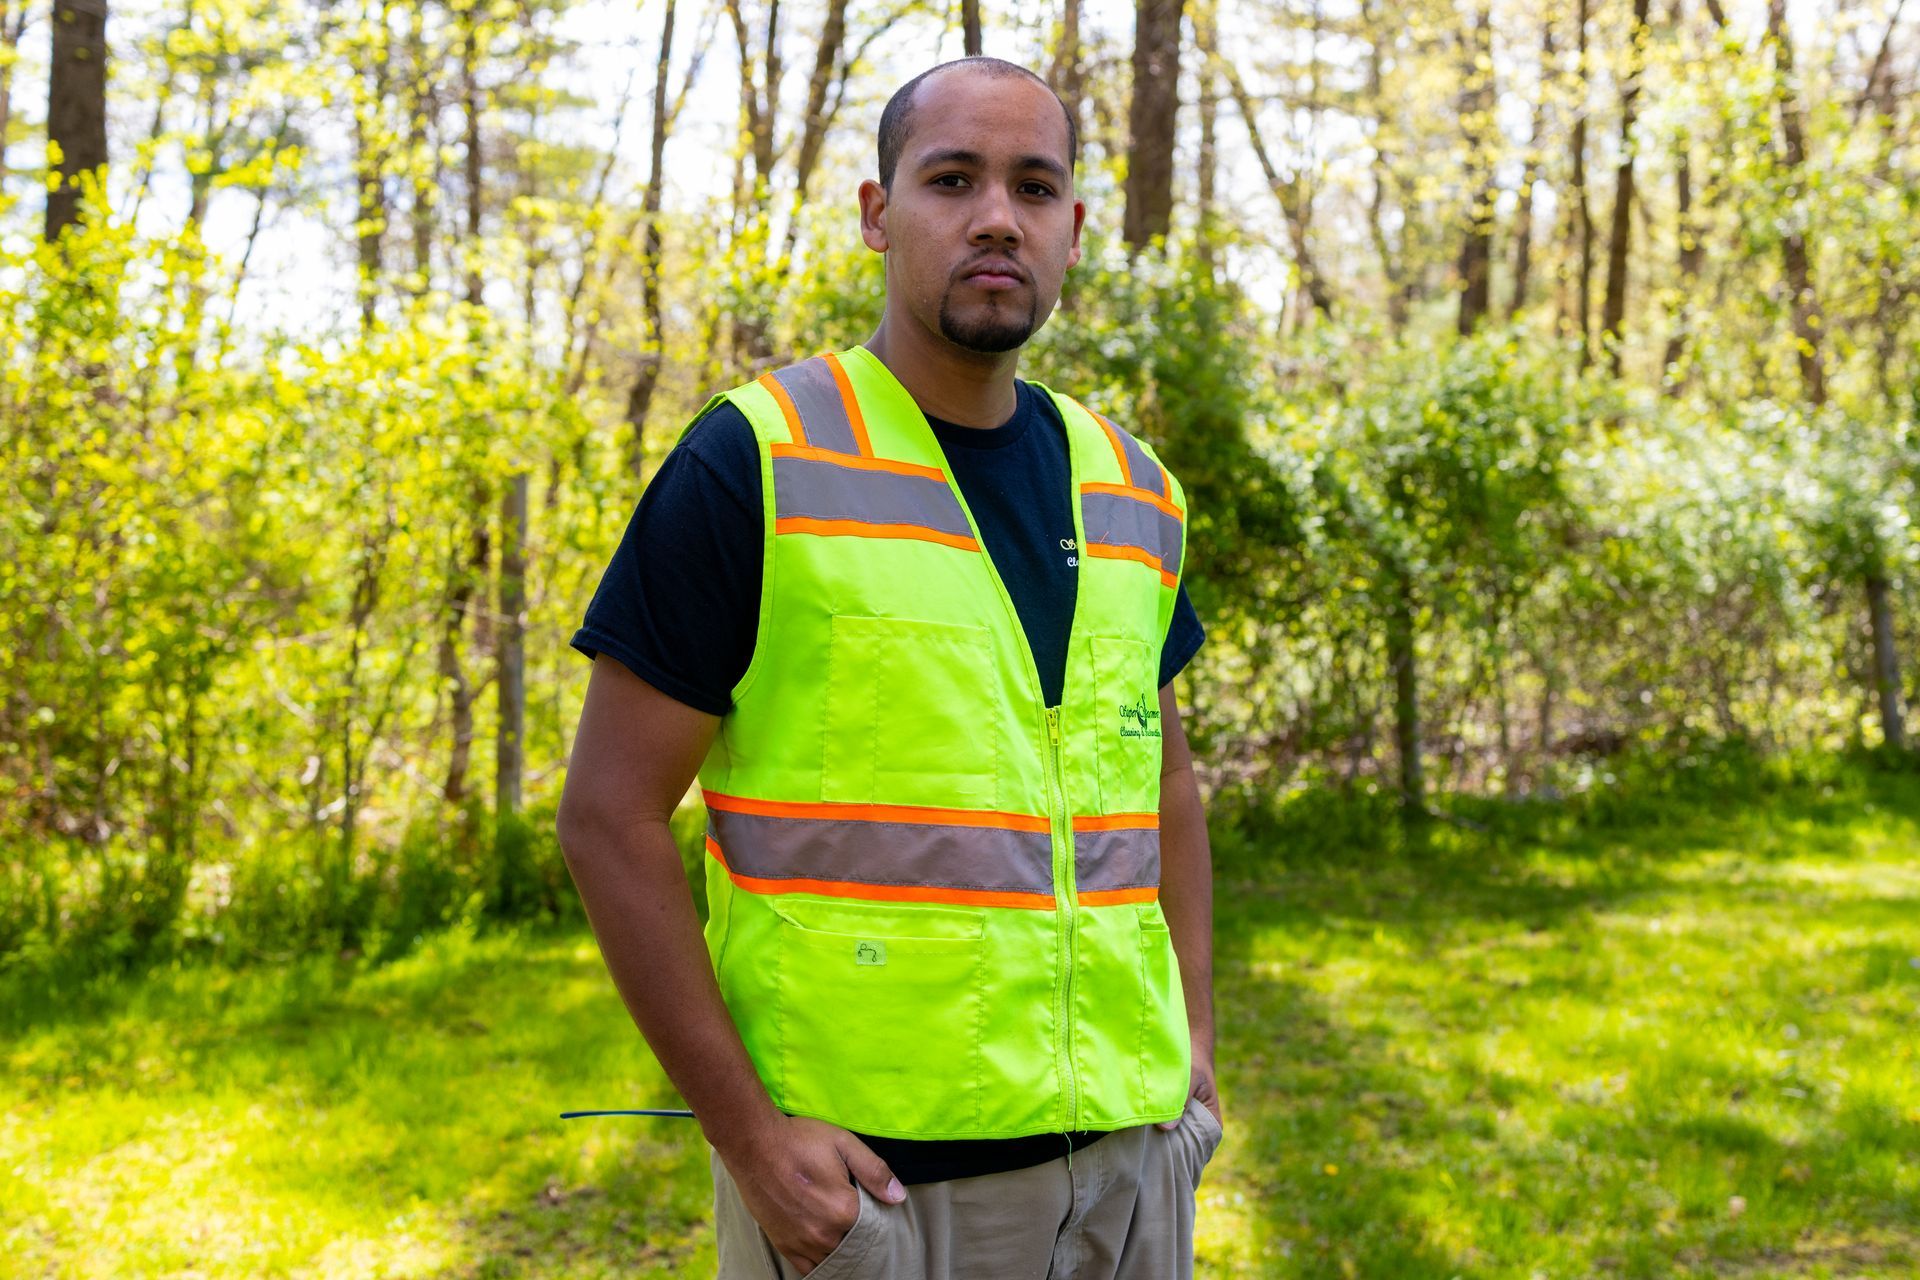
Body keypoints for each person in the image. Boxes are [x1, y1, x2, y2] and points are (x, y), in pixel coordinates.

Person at [557, 55, 1220, 1279]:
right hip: (877, 1198)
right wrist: (749, 1137)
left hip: (1129, 1175)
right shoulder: (752, 459)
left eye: (1033, 187)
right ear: (878, 213)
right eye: (951, 179)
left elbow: (1164, 791)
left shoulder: (1136, 488)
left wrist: (1197, 1062)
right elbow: (608, 815)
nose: (995, 218)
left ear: (1074, 229)